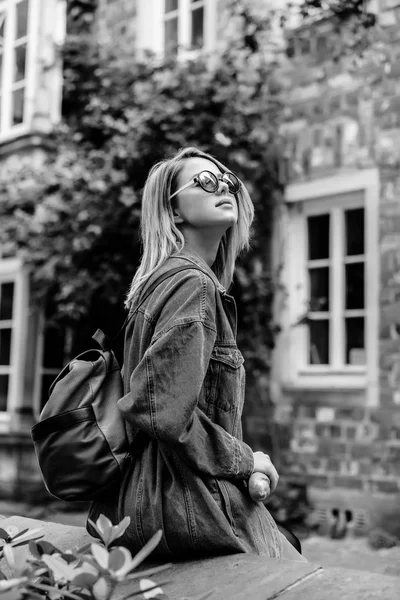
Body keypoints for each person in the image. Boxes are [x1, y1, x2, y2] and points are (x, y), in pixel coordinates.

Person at [87, 146, 305, 562]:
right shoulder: (192, 287)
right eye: (204, 182)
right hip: (186, 500)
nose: (221, 187)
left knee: (288, 544)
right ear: (174, 213)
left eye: (227, 183)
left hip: (143, 500)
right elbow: (161, 412)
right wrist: (248, 460)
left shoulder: (160, 283)